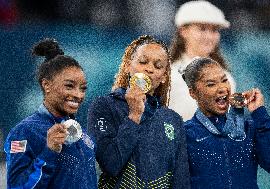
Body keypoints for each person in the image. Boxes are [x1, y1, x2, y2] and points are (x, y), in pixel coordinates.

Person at [88, 35, 190, 189]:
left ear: (163, 77)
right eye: (143, 62)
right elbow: (110, 164)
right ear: (128, 66)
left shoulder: (173, 120)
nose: (149, 69)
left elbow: (180, 181)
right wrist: (134, 116)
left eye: (158, 66)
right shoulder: (104, 106)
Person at [4, 38, 97, 189]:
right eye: (69, 86)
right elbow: (17, 187)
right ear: (47, 85)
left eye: (83, 88)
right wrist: (49, 152)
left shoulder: (81, 134)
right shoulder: (24, 132)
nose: (78, 95)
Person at [182, 57, 270, 189]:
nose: (222, 88)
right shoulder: (185, 134)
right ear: (193, 93)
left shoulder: (249, 127)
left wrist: (260, 114)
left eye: (224, 80)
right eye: (211, 84)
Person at [169, 0, 236, 121]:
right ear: (183, 31)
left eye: (214, 30)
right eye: (202, 29)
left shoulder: (227, 78)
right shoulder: (167, 75)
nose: (209, 36)